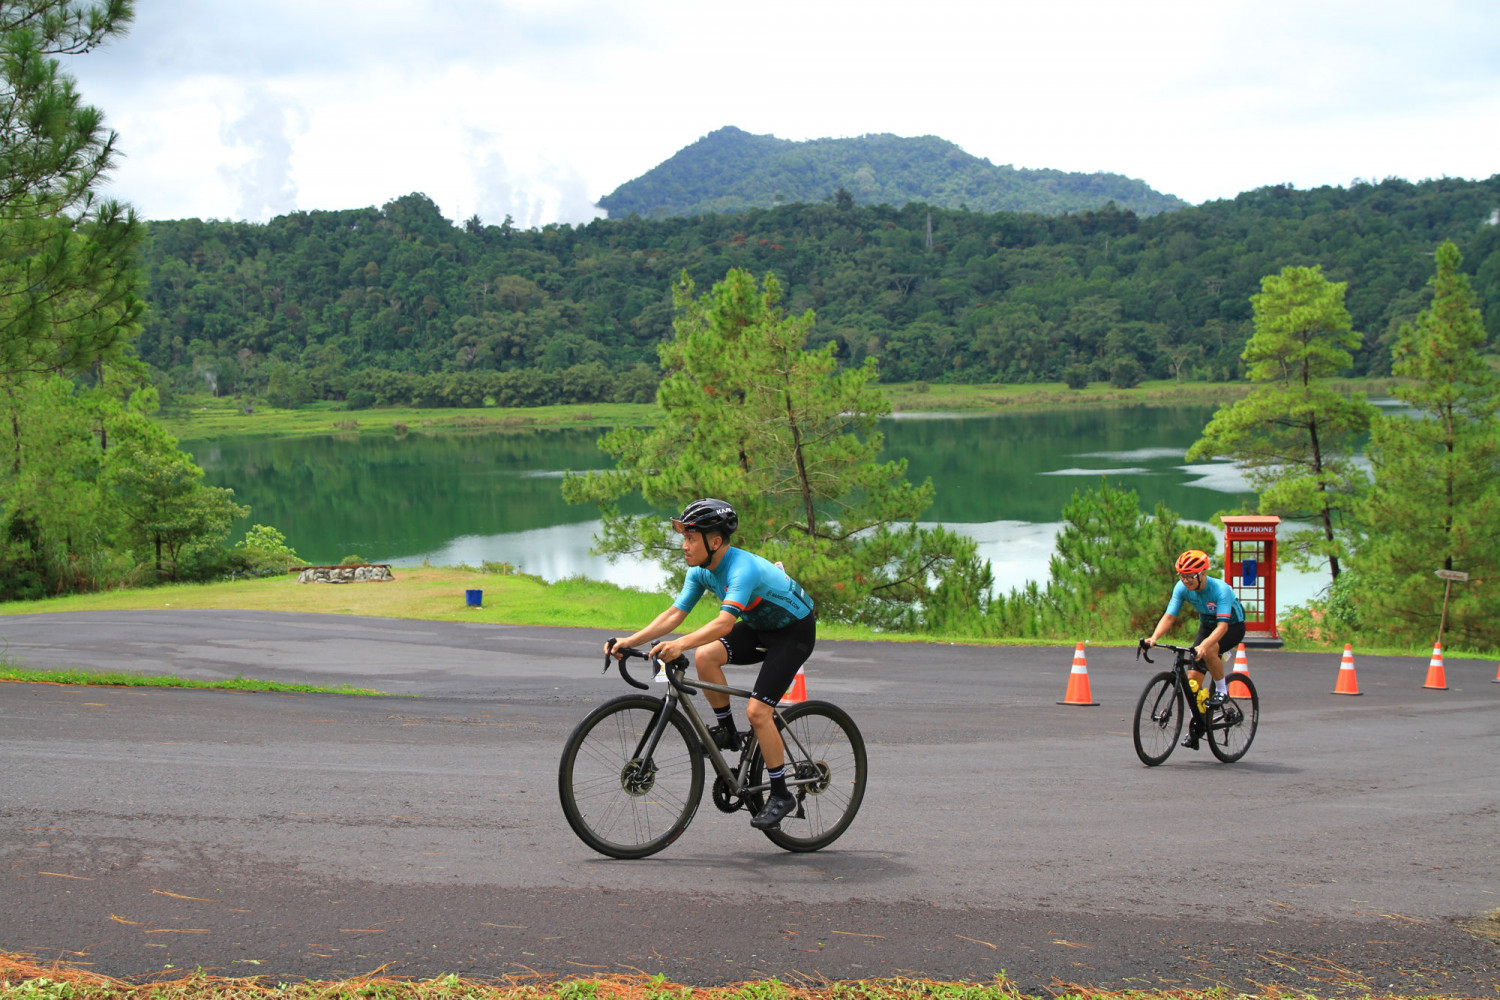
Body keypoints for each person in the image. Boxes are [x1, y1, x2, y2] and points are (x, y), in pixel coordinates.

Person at [604, 498, 816, 830]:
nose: (684, 546)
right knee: (705, 656)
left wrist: (679, 644)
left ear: (715, 542)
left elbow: (724, 624)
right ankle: (727, 731)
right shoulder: (700, 571)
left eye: (691, 538)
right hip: (760, 627)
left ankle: (780, 794)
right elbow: (675, 613)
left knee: (758, 712)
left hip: (794, 632)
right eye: (684, 537)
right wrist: (630, 641)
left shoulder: (742, 568)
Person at [1143, 548, 1246, 750]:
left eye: (1190, 576)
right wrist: (1153, 638)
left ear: (1203, 573)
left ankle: (1222, 690)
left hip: (1231, 626)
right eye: (1182, 575)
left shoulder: (1220, 590)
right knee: (1192, 684)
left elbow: (1222, 627)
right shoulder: (1181, 588)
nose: (1186, 580)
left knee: (1209, 650)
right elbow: (1169, 616)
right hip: (1207, 625)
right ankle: (1196, 728)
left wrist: (1205, 645)